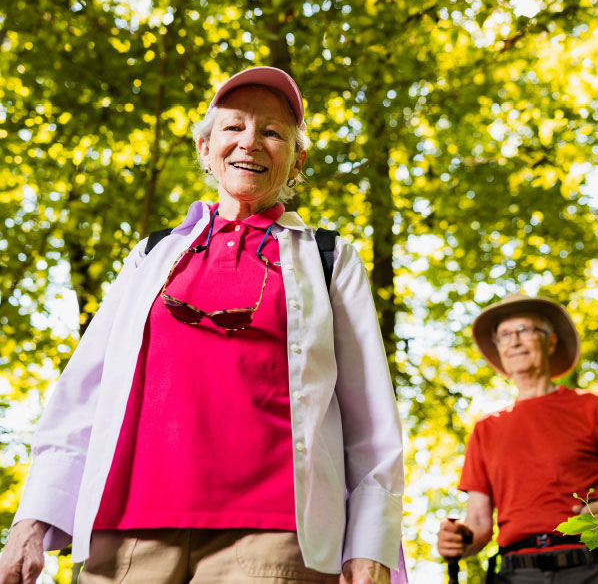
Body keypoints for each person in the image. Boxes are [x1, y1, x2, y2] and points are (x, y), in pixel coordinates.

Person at [0, 66, 405, 584]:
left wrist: (370, 545)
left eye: (273, 132)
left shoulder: (328, 259)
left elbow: (371, 419)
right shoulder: (151, 255)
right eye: (234, 127)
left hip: (275, 537)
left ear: (296, 160)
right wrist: (31, 521)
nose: (251, 143)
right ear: (205, 147)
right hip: (126, 535)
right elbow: (84, 395)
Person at [437, 292, 598, 583]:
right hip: (516, 573)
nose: (514, 341)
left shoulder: (593, 408)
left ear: (550, 341)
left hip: (594, 567)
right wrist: (459, 540)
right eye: (504, 335)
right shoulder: (485, 428)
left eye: (524, 330)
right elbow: (478, 523)